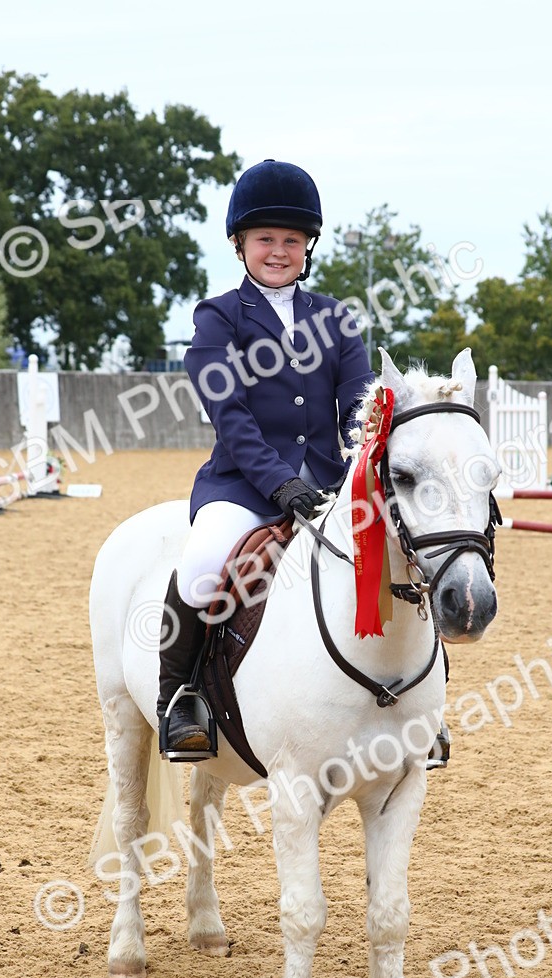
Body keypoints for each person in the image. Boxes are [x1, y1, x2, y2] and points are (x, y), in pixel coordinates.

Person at [157, 159, 375, 758]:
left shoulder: (336, 319)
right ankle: (181, 700)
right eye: (265, 239)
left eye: (291, 240)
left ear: (308, 246)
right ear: (241, 244)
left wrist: (359, 472)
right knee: (203, 566)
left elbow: (360, 409)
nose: (278, 251)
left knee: (398, 553)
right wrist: (280, 483)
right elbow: (231, 417)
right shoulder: (217, 317)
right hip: (243, 488)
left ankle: (419, 703)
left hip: (332, 487)